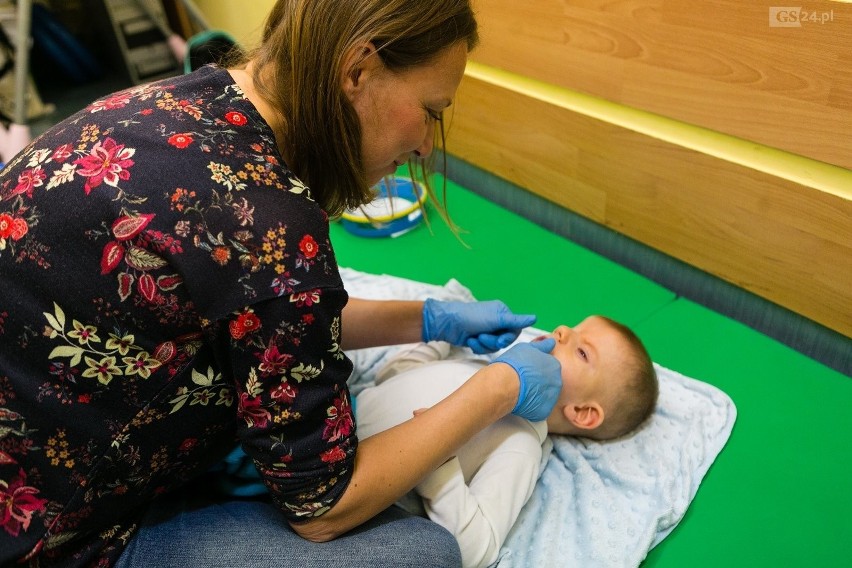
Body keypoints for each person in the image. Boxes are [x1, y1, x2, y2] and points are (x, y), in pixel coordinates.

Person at [0, 1, 565, 566]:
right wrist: (500, 390)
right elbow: (323, 507)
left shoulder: (173, 100)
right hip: (44, 534)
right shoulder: (267, 221)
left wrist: (427, 318)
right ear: (358, 71)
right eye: (430, 110)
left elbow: (260, 311)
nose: (425, 146)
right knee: (423, 553)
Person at [356, 316, 659, 568]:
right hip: (343, 410)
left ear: (583, 412)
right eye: (570, 329)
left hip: (358, 483)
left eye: (582, 352)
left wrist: (437, 459)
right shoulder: (486, 370)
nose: (562, 331)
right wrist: (439, 335)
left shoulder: (519, 443)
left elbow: (477, 549)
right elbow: (392, 378)